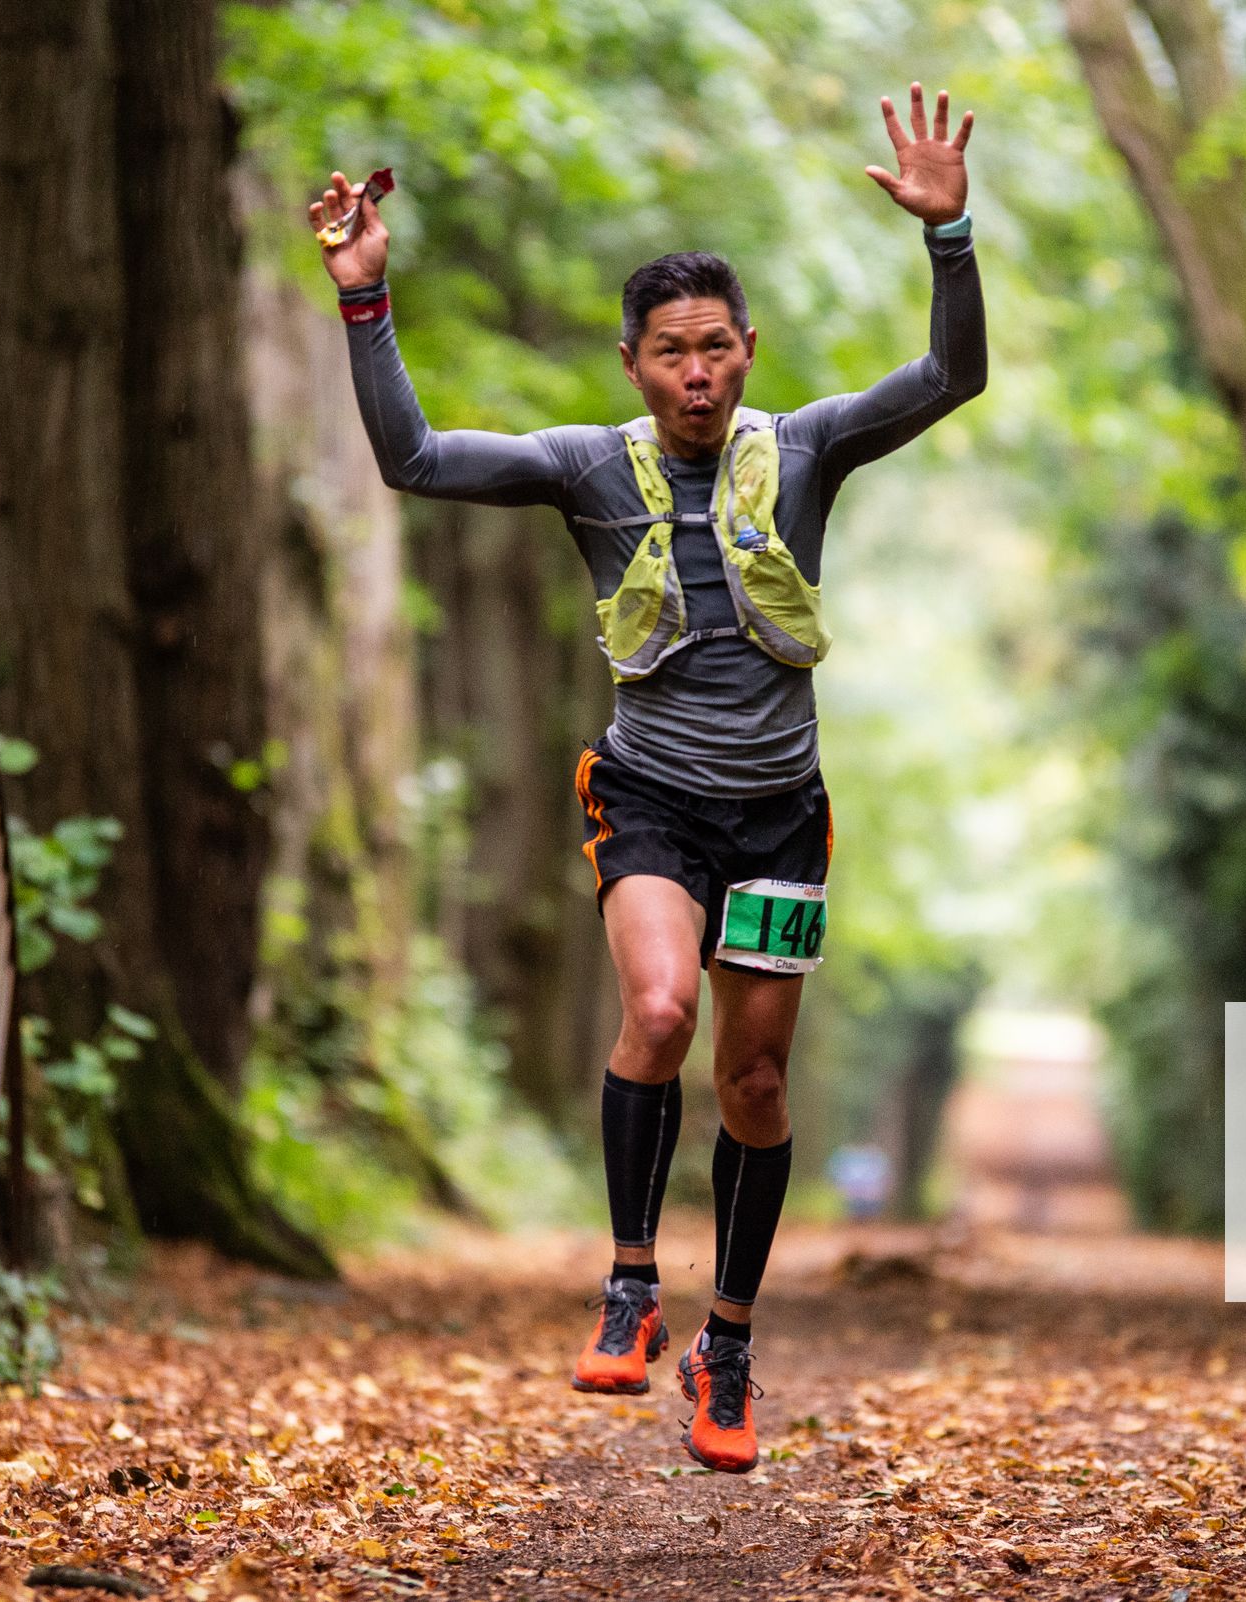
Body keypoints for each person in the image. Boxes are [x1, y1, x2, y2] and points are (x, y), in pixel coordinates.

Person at [313, 82, 986, 1474]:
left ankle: (725, 1343)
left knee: (756, 1083)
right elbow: (413, 458)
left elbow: (950, 378)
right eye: (672, 352)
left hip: (782, 815)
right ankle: (630, 1280)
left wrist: (949, 236)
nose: (698, 374)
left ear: (749, 352)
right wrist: (365, 296)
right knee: (662, 1006)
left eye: (717, 348)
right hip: (650, 799)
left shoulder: (804, 448)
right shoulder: (586, 470)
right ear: (632, 363)